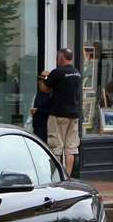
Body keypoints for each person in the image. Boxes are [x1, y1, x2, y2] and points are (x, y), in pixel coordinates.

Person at [45, 48, 83, 176]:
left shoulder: (57, 72)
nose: (57, 60)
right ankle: (68, 176)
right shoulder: (77, 73)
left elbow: (44, 87)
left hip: (58, 115)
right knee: (71, 148)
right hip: (74, 115)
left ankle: (56, 176)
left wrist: (43, 77)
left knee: (56, 146)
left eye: (57, 57)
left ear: (61, 58)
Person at [31, 70, 52, 142]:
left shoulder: (52, 95)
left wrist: (38, 110)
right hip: (37, 128)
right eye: (39, 80)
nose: (39, 82)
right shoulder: (38, 94)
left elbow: (52, 111)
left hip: (46, 130)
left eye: (42, 80)